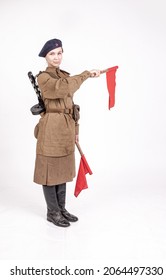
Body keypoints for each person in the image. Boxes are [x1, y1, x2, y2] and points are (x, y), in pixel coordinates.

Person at [33, 38, 100, 227]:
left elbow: (71, 106)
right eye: (52, 54)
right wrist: (86, 74)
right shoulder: (44, 78)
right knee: (50, 172)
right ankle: (52, 212)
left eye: (59, 53)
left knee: (62, 171)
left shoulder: (64, 75)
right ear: (46, 56)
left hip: (66, 129)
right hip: (51, 130)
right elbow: (63, 89)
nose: (56, 57)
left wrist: (76, 130)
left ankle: (61, 209)